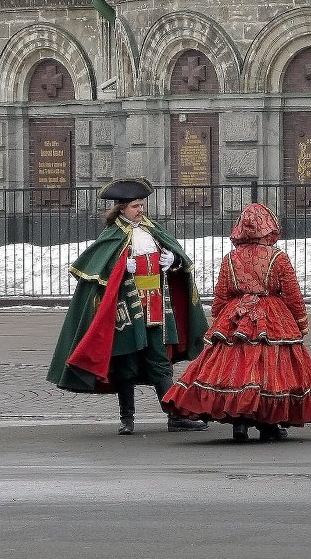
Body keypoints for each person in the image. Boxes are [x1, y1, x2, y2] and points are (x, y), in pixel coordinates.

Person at [47, 177, 209, 435]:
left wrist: (174, 259)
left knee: (160, 362)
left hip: (157, 306)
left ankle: (175, 416)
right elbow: (95, 269)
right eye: (135, 206)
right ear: (121, 209)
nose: (140, 209)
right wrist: (121, 268)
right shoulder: (113, 234)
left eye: (142, 204)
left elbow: (179, 261)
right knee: (127, 364)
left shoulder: (153, 229)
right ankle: (127, 419)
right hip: (127, 310)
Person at [162, 203, 311, 442]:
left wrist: (220, 319)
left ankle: (240, 422)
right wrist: (300, 321)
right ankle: (267, 423)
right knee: (268, 367)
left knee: (235, 368)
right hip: (272, 315)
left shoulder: (231, 258)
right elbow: (291, 293)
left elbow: (221, 295)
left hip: (236, 315)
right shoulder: (278, 258)